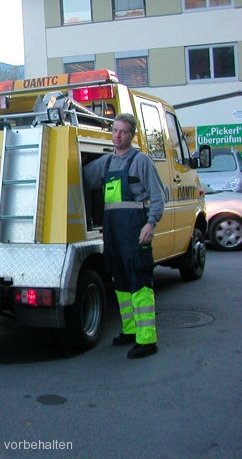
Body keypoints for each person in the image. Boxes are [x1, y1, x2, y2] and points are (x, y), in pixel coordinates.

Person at [83, 113, 165, 359]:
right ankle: (130, 331)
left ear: (132, 135)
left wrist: (150, 225)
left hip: (135, 231)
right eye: (115, 130)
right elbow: (81, 176)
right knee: (120, 282)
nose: (117, 135)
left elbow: (158, 197)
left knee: (139, 282)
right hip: (113, 233)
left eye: (123, 132)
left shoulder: (141, 161)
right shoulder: (107, 163)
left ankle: (147, 340)